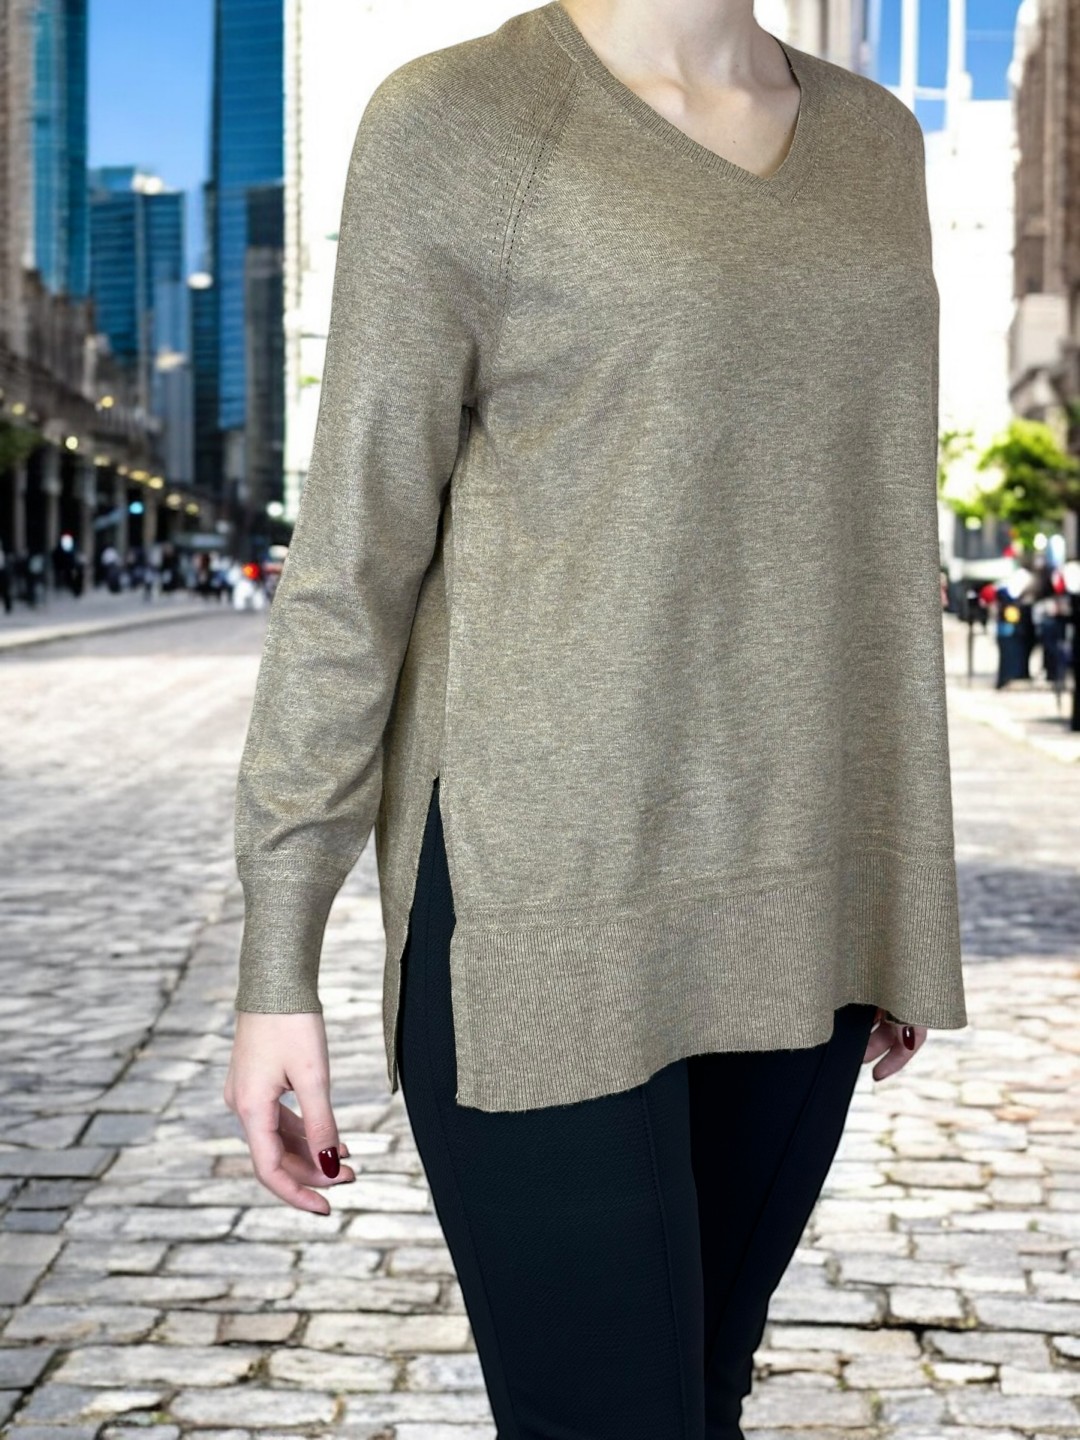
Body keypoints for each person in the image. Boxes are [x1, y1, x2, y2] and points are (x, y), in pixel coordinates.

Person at [224, 3, 967, 1435]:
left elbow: (875, 530)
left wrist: (893, 893)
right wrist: (279, 961)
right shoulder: (459, 121)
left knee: (699, 1399)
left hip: (801, 899)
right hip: (541, 911)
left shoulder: (879, 143)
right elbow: (354, 562)